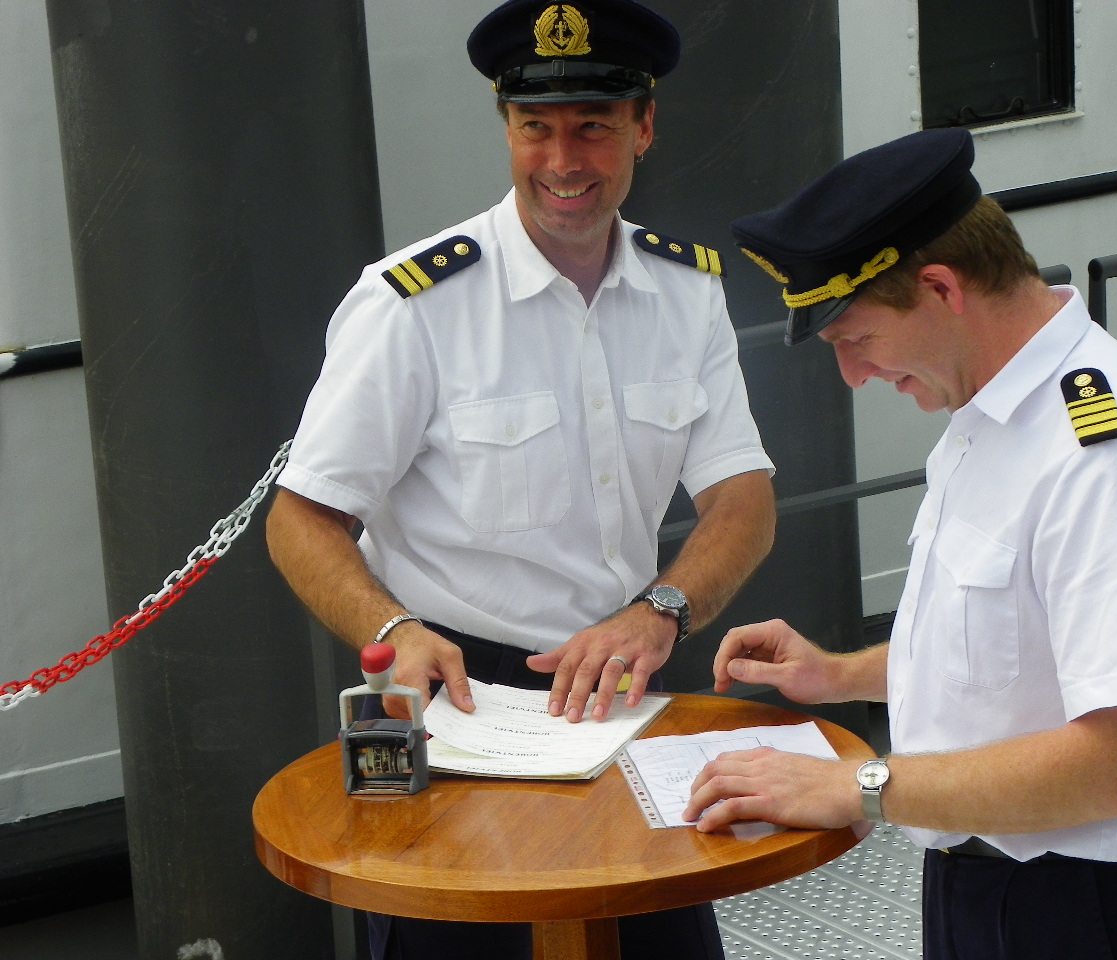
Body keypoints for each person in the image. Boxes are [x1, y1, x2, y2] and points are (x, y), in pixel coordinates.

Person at [265, 2, 775, 958]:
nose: (563, 159)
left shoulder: (687, 294)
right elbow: (300, 518)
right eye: (535, 126)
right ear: (506, 127)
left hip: (625, 693)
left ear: (644, 126)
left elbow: (742, 499)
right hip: (459, 711)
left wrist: (662, 610)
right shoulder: (413, 306)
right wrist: (392, 631)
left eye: (594, 125)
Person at [683, 128, 1117, 960]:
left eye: (854, 339)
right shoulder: (993, 417)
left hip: (1089, 912)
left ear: (941, 287)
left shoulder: (1106, 459)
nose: (854, 376)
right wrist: (839, 674)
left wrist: (855, 786)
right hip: (986, 882)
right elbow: (1015, 656)